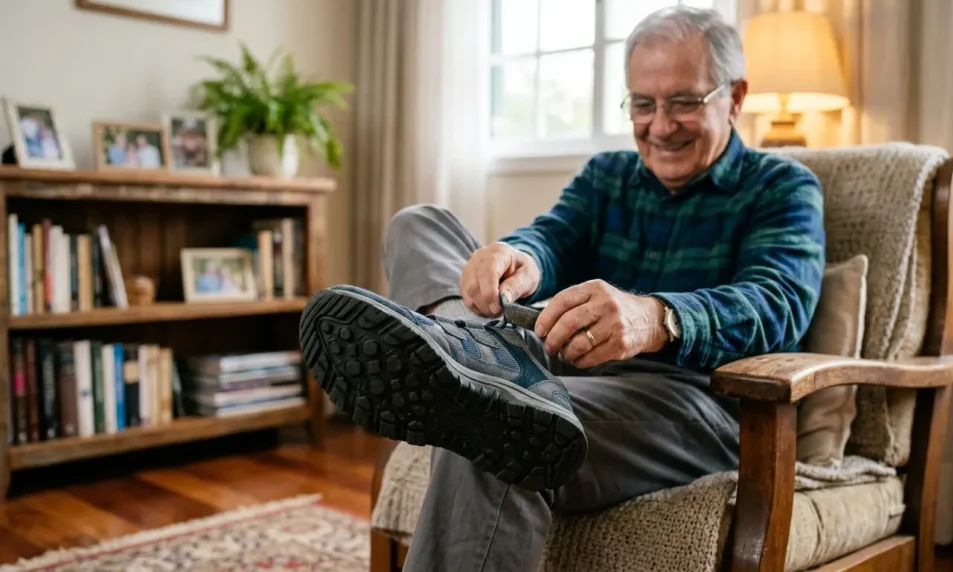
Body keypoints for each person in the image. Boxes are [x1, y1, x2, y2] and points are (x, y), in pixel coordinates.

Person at [299, 6, 825, 571]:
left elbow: (777, 304)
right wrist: (517, 258)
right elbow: (553, 237)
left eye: (684, 102)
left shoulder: (782, 188)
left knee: (495, 425)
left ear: (736, 96)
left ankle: (473, 363)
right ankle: (472, 352)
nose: (660, 124)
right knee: (418, 223)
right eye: (643, 104)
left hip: (690, 403)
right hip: (563, 371)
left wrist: (656, 317)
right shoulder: (607, 176)